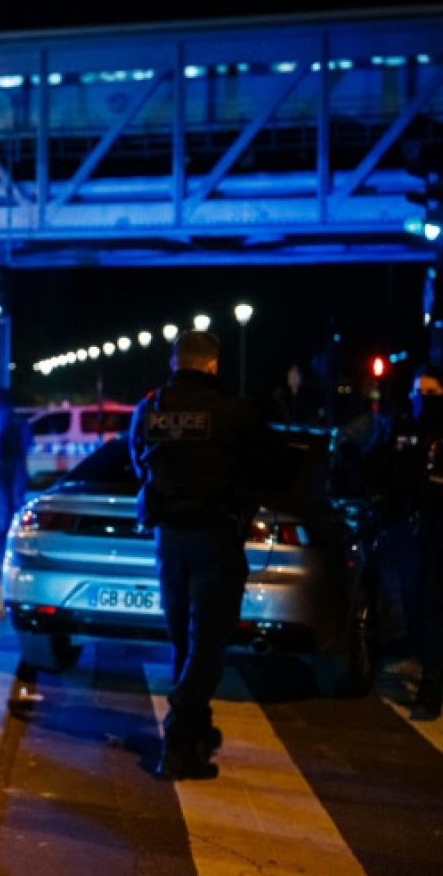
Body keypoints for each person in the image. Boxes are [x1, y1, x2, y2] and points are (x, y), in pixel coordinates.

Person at [129, 330, 270, 780]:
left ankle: (190, 738)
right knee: (210, 639)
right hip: (215, 536)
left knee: (185, 640)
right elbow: (268, 461)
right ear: (212, 365)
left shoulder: (150, 408)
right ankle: (180, 725)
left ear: (175, 362)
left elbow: (139, 461)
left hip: (169, 538)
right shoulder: (234, 412)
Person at [367, 364, 443, 720]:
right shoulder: (398, 429)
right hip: (409, 528)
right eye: (419, 393)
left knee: (432, 604)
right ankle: (430, 673)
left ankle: (432, 683)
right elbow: (374, 469)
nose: (422, 401)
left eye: (432, 394)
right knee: (416, 607)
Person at [0, 387, 34, 538]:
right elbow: (28, 443)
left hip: (0, 466)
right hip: (17, 464)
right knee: (17, 498)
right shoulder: (20, 421)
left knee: (2, 499)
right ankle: (18, 529)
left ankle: (4, 529)